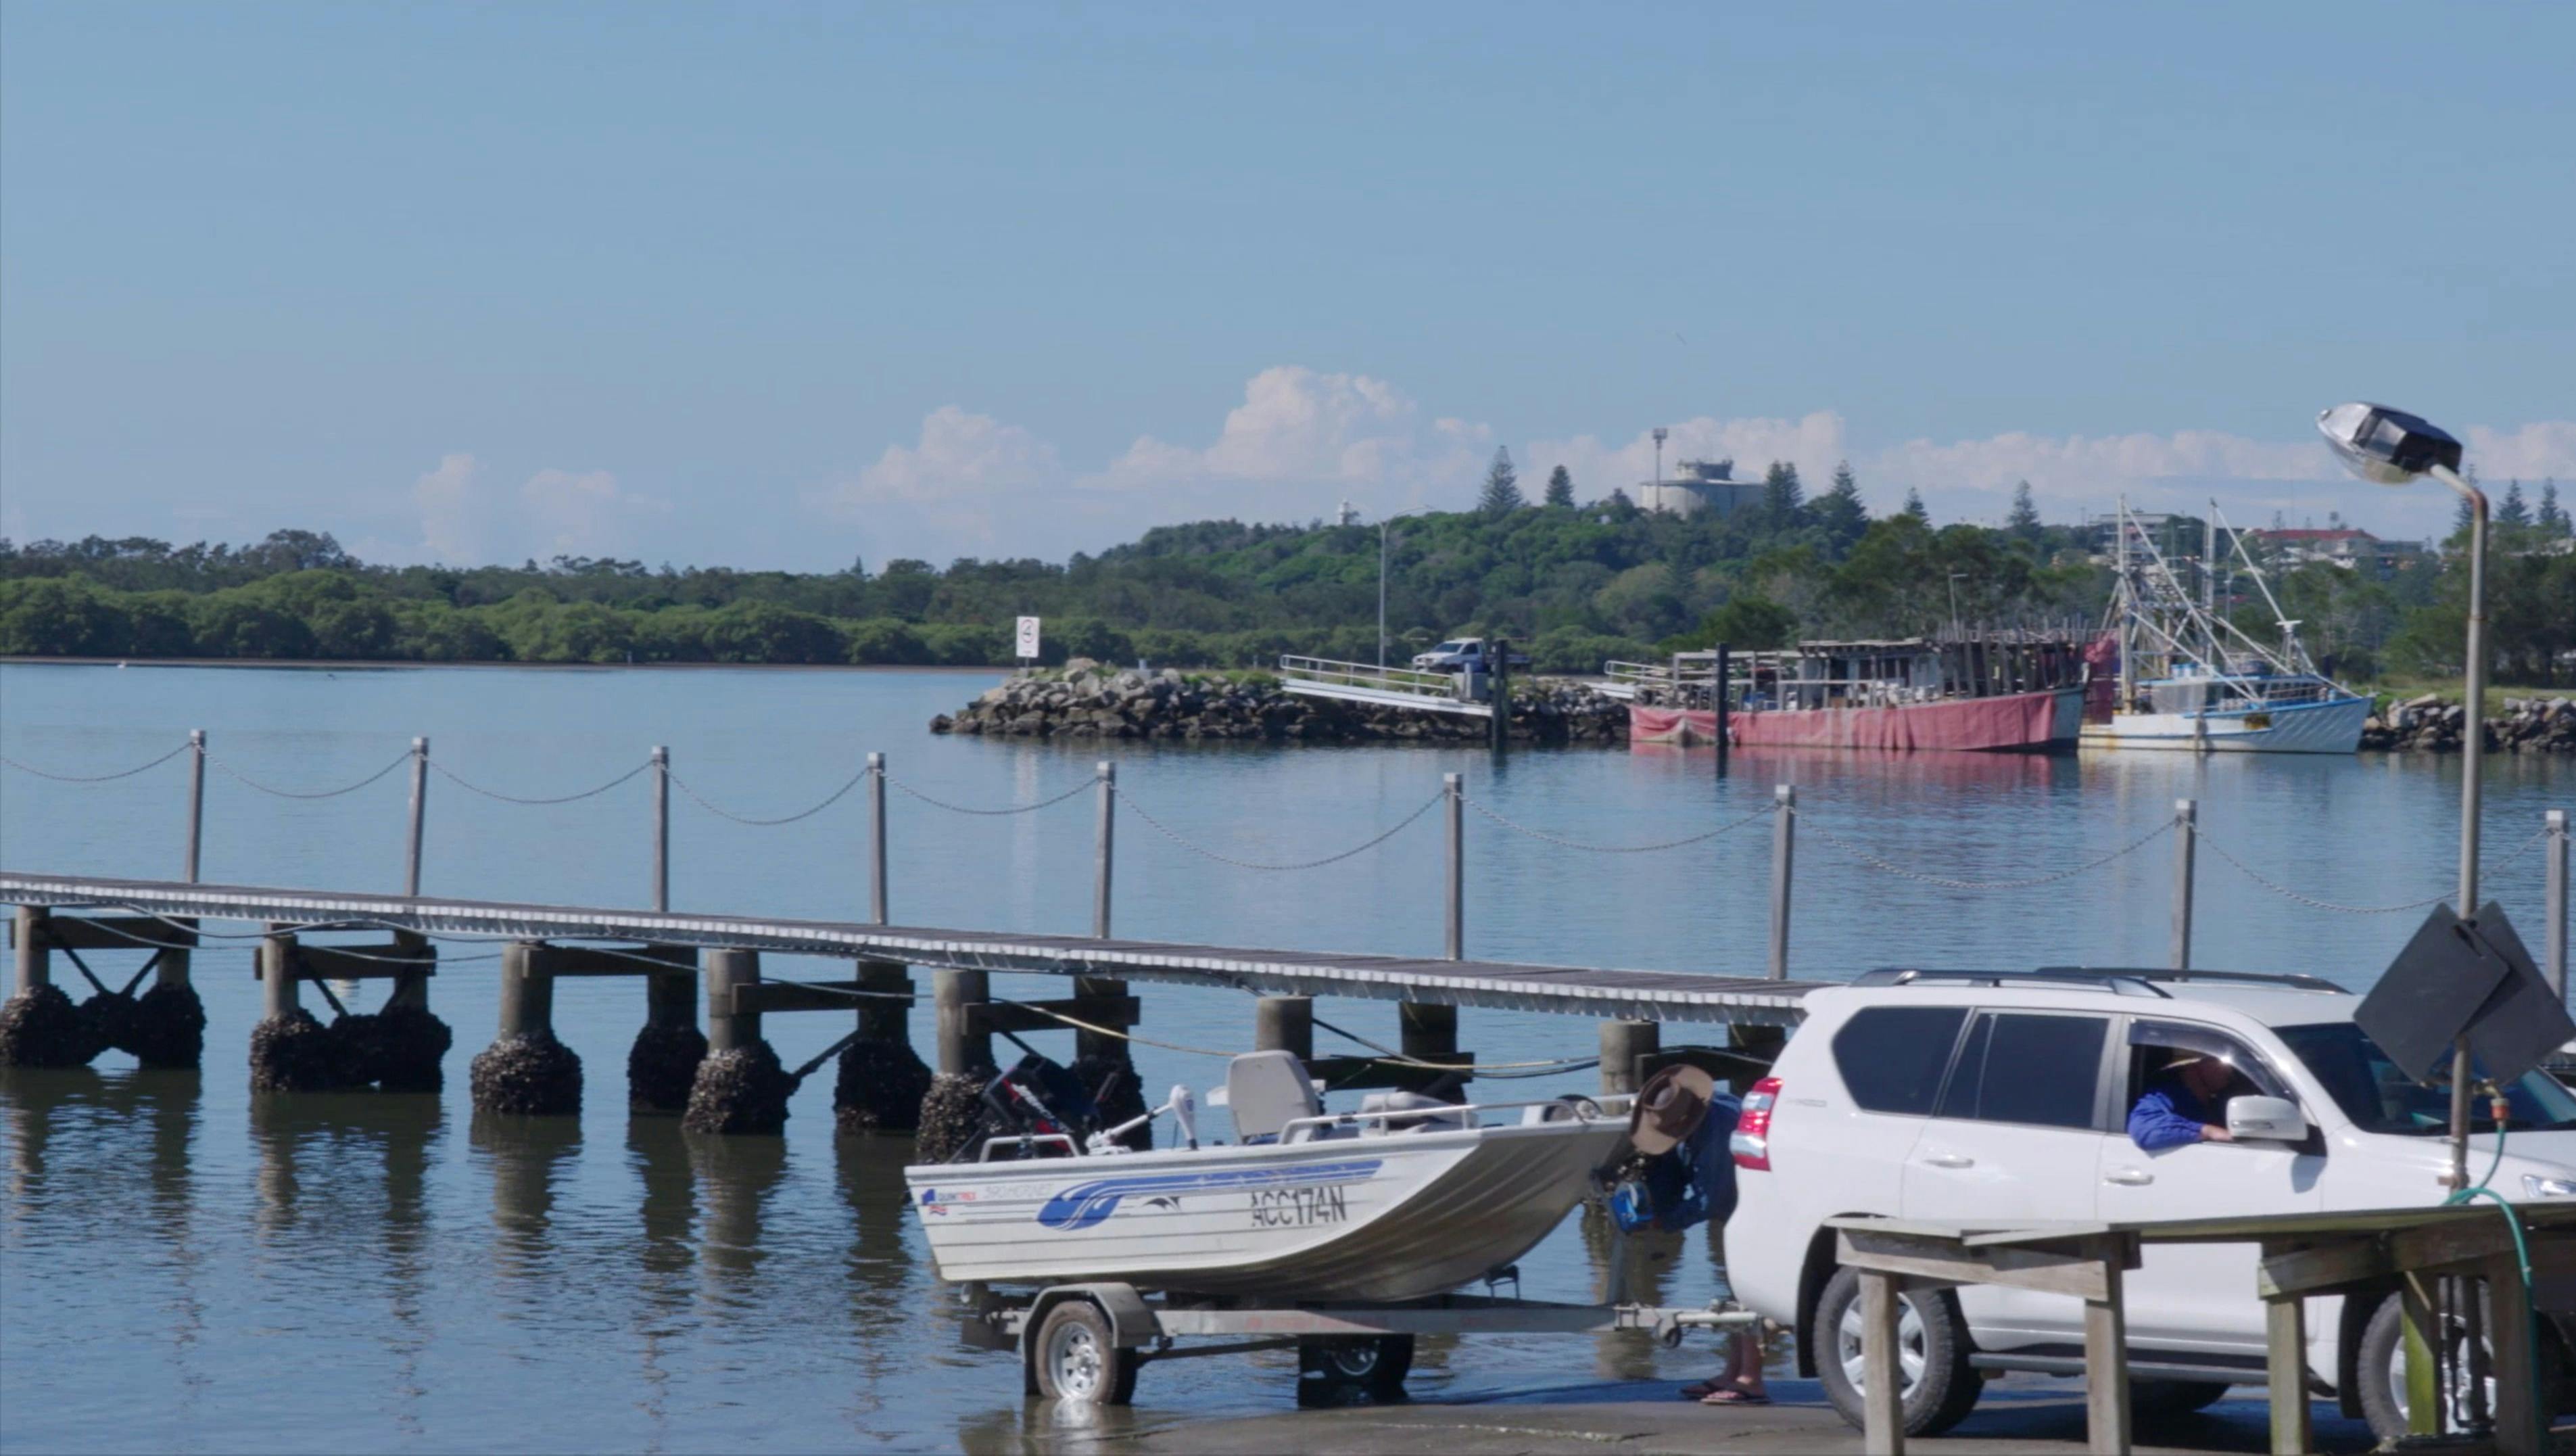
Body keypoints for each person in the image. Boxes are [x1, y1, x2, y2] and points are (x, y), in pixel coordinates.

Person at [2128, 1050, 2237, 1152]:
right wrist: (2207, 1130)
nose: (2227, 1073)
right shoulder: (2166, 1096)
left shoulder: (2214, 1105)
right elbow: (2144, 1132)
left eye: (2229, 1077)